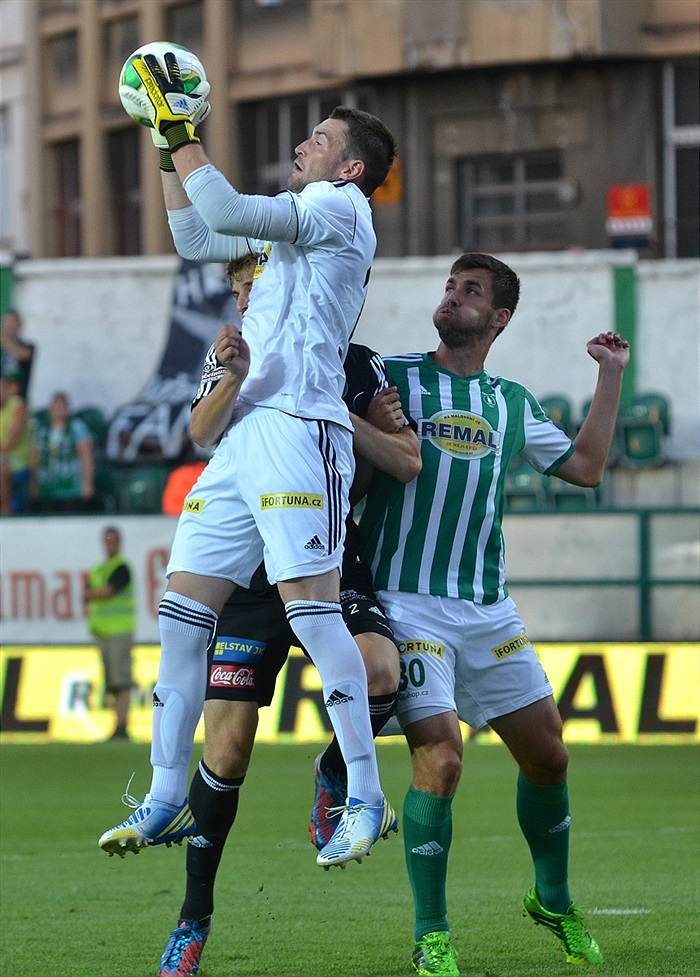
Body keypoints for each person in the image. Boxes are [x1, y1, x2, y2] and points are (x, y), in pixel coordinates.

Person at [99, 51, 400, 870]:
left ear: (352, 166)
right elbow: (198, 230)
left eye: (319, 137)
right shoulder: (286, 231)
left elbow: (223, 199)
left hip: (303, 428)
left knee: (312, 610)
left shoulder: (339, 208)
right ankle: (166, 797)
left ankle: (366, 796)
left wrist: (180, 124)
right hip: (245, 436)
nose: (303, 145)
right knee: (182, 607)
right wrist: (169, 147)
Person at [358, 253, 630, 976]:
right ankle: (432, 934)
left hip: (486, 607)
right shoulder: (392, 376)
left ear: (499, 317)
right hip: (405, 600)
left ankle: (552, 898)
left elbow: (587, 468)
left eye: (470, 290)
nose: (453, 297)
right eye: (451, 286)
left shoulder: (510, 403)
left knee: (549, 754)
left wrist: (610, 376)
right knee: (442, 759)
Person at [153, 252, 419, 977]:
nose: (244, 295)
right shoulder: (231, 351)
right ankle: (192, 919)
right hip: (248, 574)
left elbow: (405, 459)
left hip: (322, 549)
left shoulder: (353, 362)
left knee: (380, 672)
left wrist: (333, 411)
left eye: (255, 282)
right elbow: (200, 430)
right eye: (237, 287)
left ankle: (335, 772)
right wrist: (233, 378)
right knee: (228, 748)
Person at [84, 527, 135, 741]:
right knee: (113, 682)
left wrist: (89, 595)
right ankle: (117, 725)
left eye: (113, 539)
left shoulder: (121, 567)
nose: (110, 544)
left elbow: (105, 591)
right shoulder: (100, 569)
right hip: (104, 633)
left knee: (121, 681)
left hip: (119, 632)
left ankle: (122, 726)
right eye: (107, 539)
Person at [30, 391, 96, 513]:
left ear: (67, 410)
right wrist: (34, 484)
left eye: (61, 407)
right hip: (47, 487)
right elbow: (36, 459)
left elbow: (86, 457)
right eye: (54, 407)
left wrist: (87, 484)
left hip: (71, 488)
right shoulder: (42, 430)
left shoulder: (76, 428)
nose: (57, 411)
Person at [0, 371, 32, 515]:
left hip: (19, 461)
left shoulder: (17, 405)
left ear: (7, 390)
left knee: (1, 469)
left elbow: (13, 438)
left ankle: (6, 512)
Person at [0, 309, 35, 400]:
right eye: (6, 322)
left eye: (12, 322)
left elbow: (24, 355)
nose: (9, 325)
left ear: (19, 325)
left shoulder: (27, 346)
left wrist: (3, 338)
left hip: (18, 401)